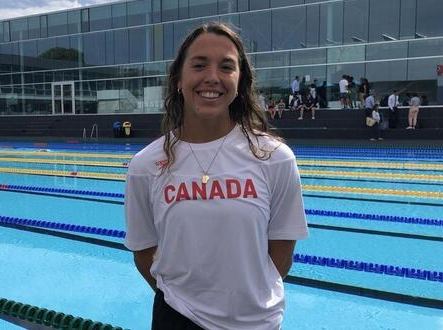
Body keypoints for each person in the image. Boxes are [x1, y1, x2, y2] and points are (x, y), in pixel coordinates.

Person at [124, 22, 308, 330]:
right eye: (199, 65)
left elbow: (282, 252)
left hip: (256, 322)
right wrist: (186, 302)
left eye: (226, 67)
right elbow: (144, 253)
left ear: (240, 82)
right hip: (177, 319)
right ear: (179, 80)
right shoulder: (146, 165)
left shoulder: (274, 157)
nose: (212, 77)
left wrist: (243, 299)